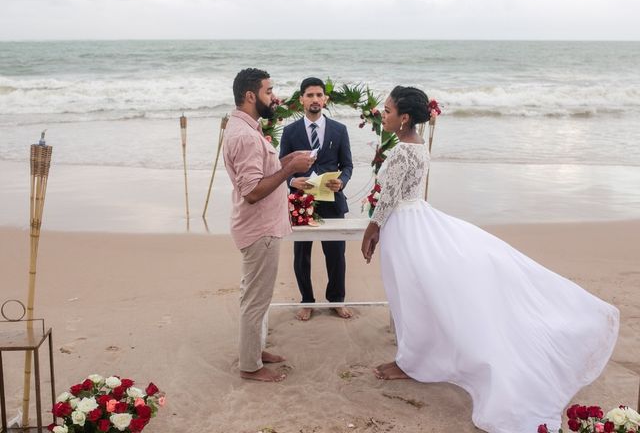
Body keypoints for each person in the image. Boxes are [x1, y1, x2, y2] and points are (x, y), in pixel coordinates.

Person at [360, 86, 619, 433]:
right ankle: (412, 359)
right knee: (418, 296)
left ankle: (413, 362)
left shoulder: (402, 152)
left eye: (389, 110)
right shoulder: (417, 145)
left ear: (404, 117)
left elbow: (388, 198)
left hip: (406, 228)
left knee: (412, 296)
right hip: (418, 219)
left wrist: (372, 229)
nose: (384, 114)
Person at [223, 68, 316, 382]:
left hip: (258, 226)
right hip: (259, 228)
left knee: (254, 294)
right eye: (268, 91)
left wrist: (286, 162)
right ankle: (250, 367)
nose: (274, 97)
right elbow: (252, 192)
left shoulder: (244, 128)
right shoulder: (246, 136)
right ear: (250, 95)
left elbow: (256, 177)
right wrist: (289, 166)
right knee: (256, 299)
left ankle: (254, 349)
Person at [279, 77, 354, 321]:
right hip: (301, 202)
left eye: (319, 95)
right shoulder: (290, 132)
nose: (315, 99)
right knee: (302, 254)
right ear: (301, 99)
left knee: (336, 254)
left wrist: (342, 181)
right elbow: (281, 166)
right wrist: (292, 182)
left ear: (325, 99)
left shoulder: (339, 130)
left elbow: (348, 165)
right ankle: (307, 300)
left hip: (332, 201)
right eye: (309, 95)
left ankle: (336, 300)